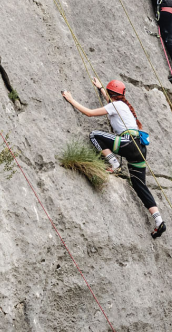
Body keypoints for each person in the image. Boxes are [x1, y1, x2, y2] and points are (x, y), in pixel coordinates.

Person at [62, 78, 166, 239]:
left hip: (128, 143)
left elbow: (89, 113)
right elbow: (111, 101)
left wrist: (71, 99)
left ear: (111, 94)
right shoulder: (124, 105)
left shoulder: (115, 105)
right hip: (140, 148)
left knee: (94, 135)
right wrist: (101, 89)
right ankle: (158, 220)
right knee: (139, 185)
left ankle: (114, 163)